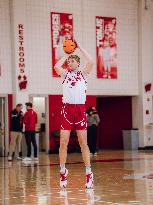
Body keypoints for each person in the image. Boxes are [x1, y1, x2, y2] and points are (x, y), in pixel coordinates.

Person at [54, 40, 94, 189]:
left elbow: (90, 60)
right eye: (68, 62)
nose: (68, 63)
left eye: (71, 61)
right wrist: (67, 53)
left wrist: (79, 48)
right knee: (63, 142)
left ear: (77, 63)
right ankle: (63, 171)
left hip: (80, 110)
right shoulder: (64, 74)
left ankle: (89, 173)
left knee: (83, 143)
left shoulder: (84, 73)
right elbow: (57, 66)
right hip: (67, 110)